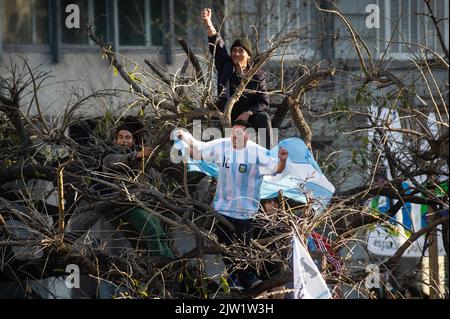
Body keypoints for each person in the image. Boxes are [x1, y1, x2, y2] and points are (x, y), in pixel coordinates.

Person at [176, 120, 288, 290]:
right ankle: (234, 278)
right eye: (233, 134)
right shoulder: (223, 146)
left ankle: (249, 277)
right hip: (223, 207)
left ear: (247, 136)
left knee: (243, 245)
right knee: (226, 245)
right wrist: (183, 140)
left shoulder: (256, 153)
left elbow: (276, 169)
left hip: (245, 210)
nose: (235, 138)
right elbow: (198, 150)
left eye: (239, 134)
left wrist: (282, 160)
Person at [201, 8, 274, 149]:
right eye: (234, 50)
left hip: (249, 118)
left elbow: (264, 102)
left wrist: (248, 113)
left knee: (263, 118)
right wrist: (208, 23)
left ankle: (268, 155)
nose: (236, 53)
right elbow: (218, 44)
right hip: (228, 116)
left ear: (248, 56)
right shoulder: (226, 65)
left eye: (241, 51)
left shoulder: (257, 75)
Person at [101, 117, 173, 258]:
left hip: (144, 203)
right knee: (151, 228)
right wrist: (137, 155)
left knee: (159, 228)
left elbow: (153, 177)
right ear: (116, 140)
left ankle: (170, 260)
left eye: (128, 137)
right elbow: (119, 161)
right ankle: (160, 261)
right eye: (120, 137)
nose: (124, 140)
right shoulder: (109, 156)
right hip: (124, 205)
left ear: (133, 140)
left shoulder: (141, 161)